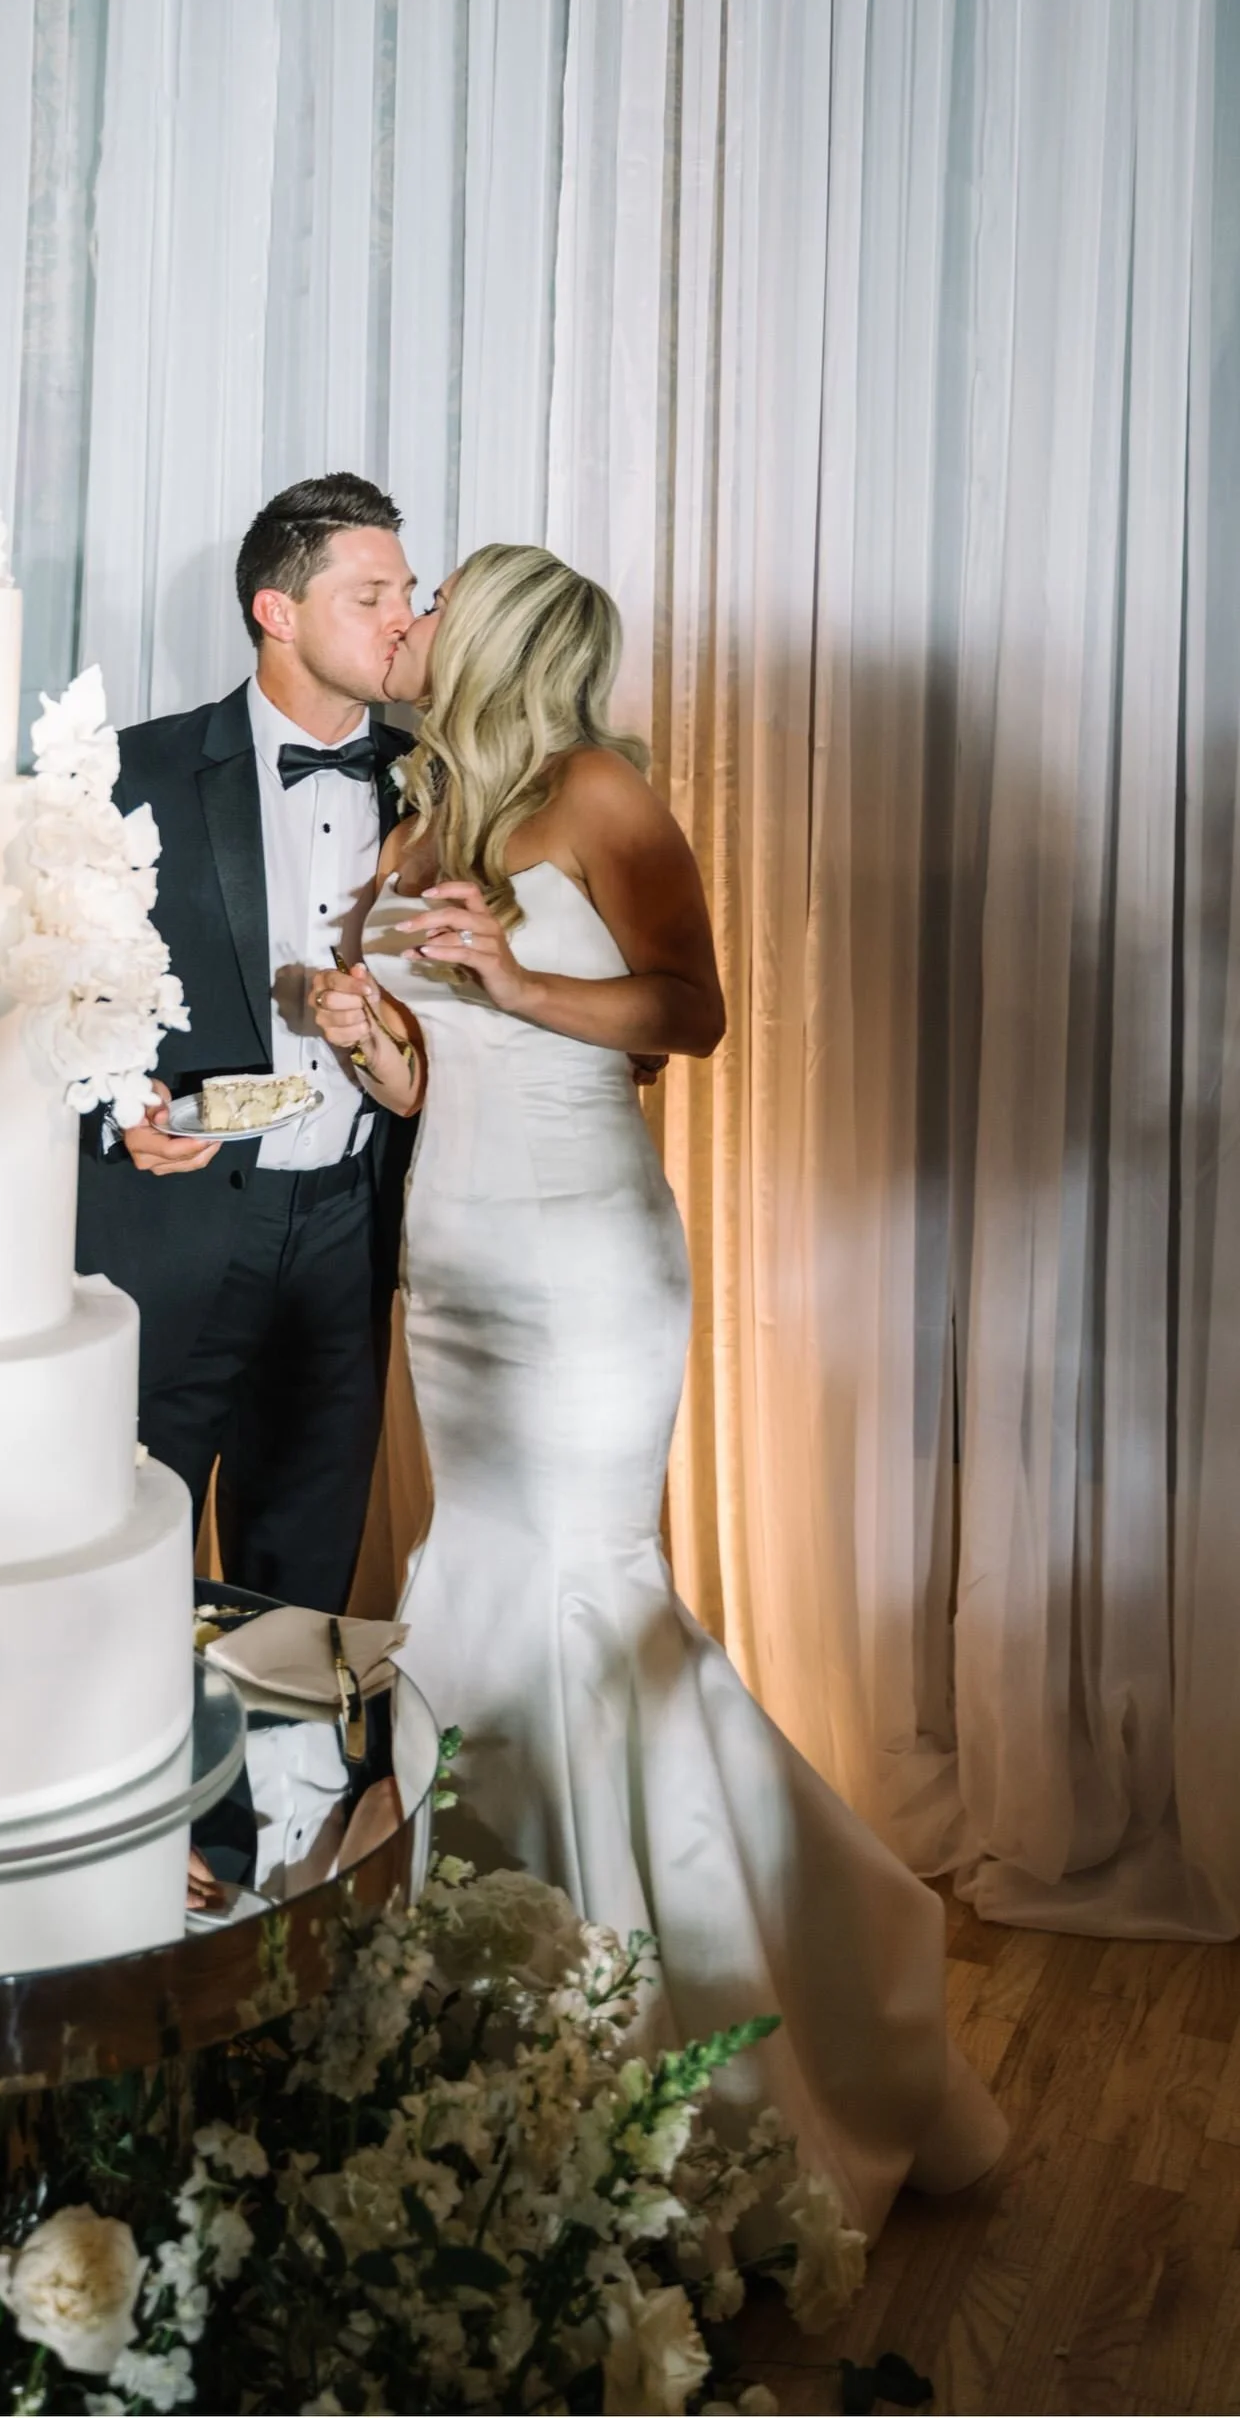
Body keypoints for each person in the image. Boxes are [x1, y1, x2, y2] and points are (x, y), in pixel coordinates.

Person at [308, 542, 1007, 2235]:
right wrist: (365, 1037)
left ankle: (687, 2046)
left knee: (575, 1612)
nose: (408, 618)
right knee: (474, 1613)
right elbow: (432, 1077)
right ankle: (504, 2046)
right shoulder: (418, 825)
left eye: (437, 593)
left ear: (499, 638)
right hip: (454, 1259)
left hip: (581, 1270)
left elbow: (686, 1016)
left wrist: (508, 979)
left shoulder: (595, 791)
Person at [73, 475, 420, 1615]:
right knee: (123, 1567)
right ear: (278, 611)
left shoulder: (445, 783)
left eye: (407, 593)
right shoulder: (131, 775)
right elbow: (40, 992)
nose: (403, 620)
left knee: (305, 1583)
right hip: (172, 1232)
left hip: (351, 1228)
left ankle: (287, 1795)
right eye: (371, 595)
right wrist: (113, 1110)